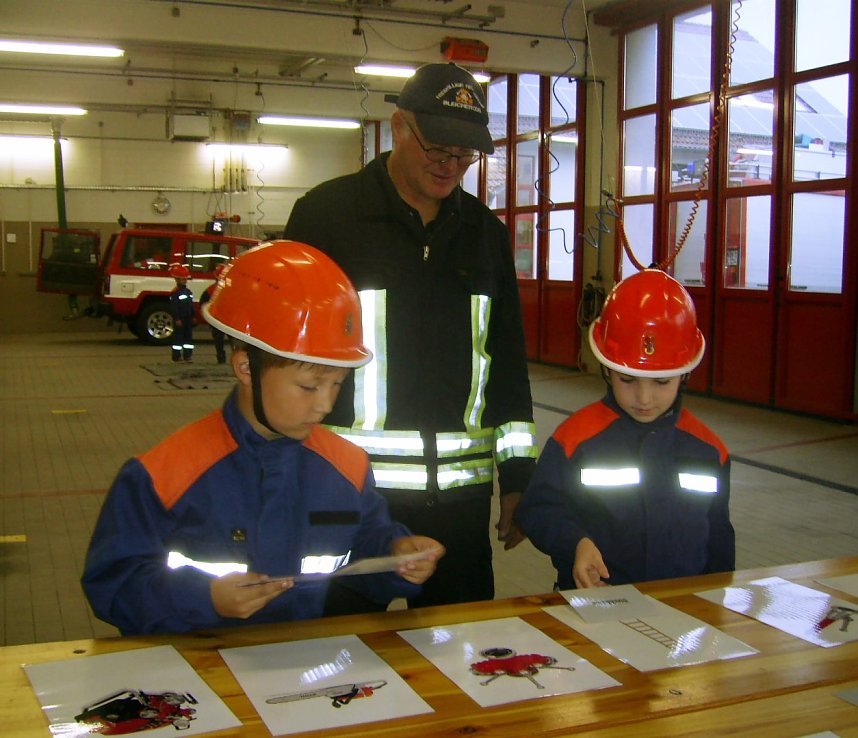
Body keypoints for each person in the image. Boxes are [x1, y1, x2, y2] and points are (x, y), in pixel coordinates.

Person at [81, 240, 444, 635]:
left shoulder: (346, 466)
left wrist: (396, 557)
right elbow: (113, 584)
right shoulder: (163, 474)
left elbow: (365, 547)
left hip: (296, 666)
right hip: (195, 671)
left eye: (337, 384)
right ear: (246, 368)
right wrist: (203, 598)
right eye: (309, 386)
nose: (325, 405)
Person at [283, 62, 537, 611]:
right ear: (399, 127)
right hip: (346, 495)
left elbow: (507, 361)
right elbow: (288, 357)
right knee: (339, 656)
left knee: (460, 658)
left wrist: (518, 475)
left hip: (458, 508)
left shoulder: (485, 237)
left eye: (464, 157)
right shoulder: (327, 218)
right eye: (438, 150)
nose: (451, 167)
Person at [516, 269, 735, 590]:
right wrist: (575, 543)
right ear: (607, 368)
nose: (644, 399)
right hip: (596, 602)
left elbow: (718, 535)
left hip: (683, 608)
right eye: (627, 380)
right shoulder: (576, 440)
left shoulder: (708, 450)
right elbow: (538, 509)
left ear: (685, 374)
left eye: (662, 382)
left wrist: (717, 601)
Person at [199, 263, 228, 364]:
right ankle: (228, 357)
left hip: (217, 320)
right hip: (226, 320)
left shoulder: (210, 290)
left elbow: (203, 304)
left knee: (219, 340)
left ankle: (221, 356)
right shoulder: (229, 288)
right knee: (233, 340)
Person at [169, 264, 195, 363]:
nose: (185, 281)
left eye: (185, 279)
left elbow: (190, 305)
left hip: (188, 318)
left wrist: (193, 316)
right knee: (178, 339)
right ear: (177, 279)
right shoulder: (175, 292)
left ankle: (187, 356)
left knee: (188, 338)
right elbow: (174, 307)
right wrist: (176, 319)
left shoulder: (188, 292)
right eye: (183, 279)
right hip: (180, 319)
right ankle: (176, 357)